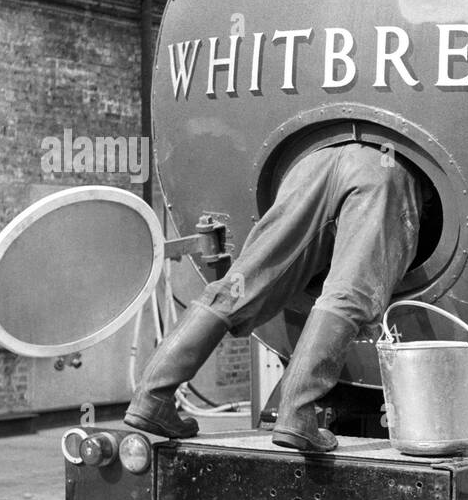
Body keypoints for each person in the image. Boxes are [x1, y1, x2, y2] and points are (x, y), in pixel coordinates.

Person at [125, 141, 421, 453]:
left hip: (313, 162)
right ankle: (298, 412)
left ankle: (152, 395)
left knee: (242, 285)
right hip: (380, 173)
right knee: (348, 293)